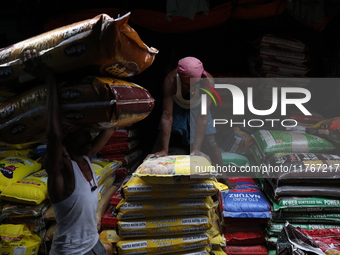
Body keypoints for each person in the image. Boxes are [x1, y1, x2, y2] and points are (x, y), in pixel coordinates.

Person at [21, 49, 115, 255]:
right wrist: (49, 79)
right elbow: (53, 134)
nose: (88, 136)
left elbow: (110, 126)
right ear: (66, 138)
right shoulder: (61, 171)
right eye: (82, 133)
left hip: (93, 245)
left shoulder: (85, 159)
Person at [146, 56, 234, 187]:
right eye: (186, 84)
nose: (190, 88)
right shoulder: (171, 81)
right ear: (180, 77)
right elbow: (167, 115)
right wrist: (164, 150)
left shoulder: (208, 81)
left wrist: (196, 150)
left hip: (198, 106)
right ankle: (145, 172)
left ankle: (224, 176)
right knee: (161, 139)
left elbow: (202, 117)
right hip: (177, 106)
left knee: (211, 141)